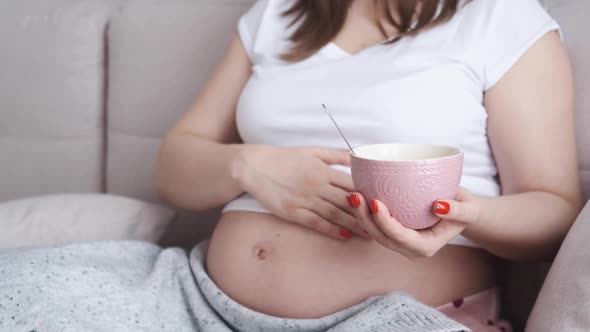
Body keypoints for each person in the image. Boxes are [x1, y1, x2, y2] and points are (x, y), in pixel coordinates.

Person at [155, 0, 583, 329]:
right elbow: (173, 168)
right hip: (204, 307)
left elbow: (555, 213)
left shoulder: (503, 18)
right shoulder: (278, 12)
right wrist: (247, 164)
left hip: (405, 320)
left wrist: (465, 215)